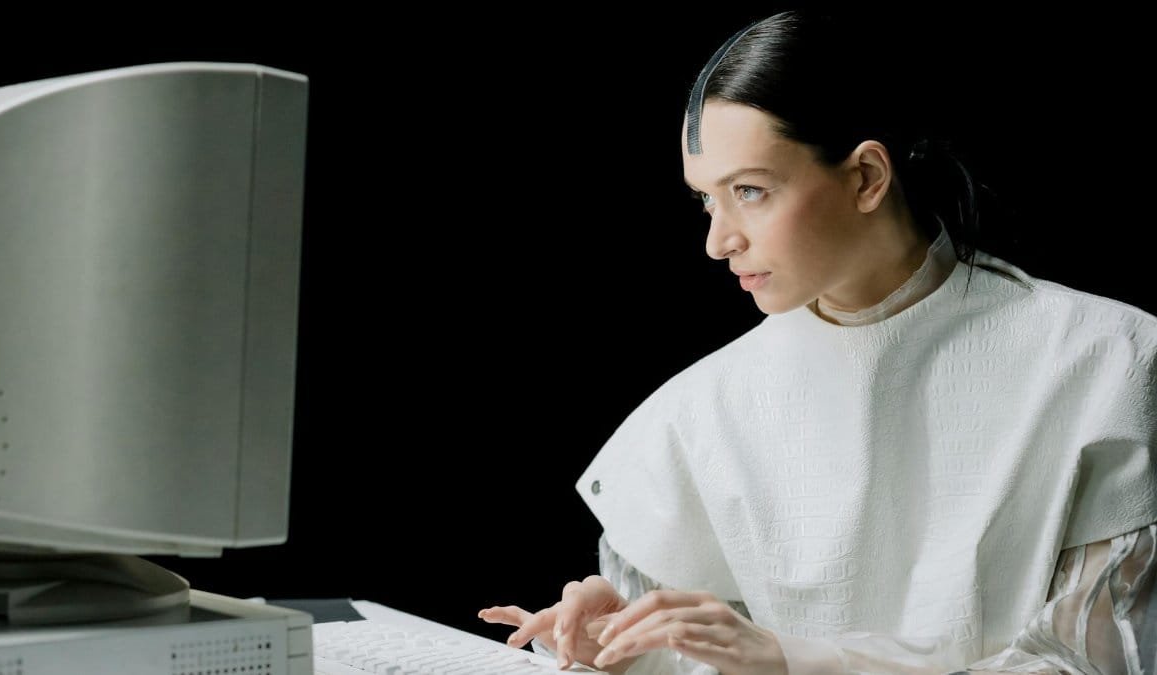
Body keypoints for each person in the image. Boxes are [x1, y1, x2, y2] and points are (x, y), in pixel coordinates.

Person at [480, 9, 1156, 675]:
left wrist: (793, 660)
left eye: (750, 190)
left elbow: (1093, 662)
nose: (718, 241)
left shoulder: (1107, 362)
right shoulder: (696, 415)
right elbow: (711, 662)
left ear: (866, 177)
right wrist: (631, 650)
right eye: (706, 200)